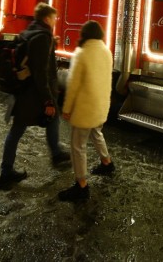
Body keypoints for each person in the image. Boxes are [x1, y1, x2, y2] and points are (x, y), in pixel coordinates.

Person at [0, 2, 70, 190]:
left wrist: (52, 43)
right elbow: (40, 72)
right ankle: (6, 172)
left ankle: (55, 152)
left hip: (25, 92)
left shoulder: (31, 32)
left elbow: (34, 56)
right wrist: (47, 100)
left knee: (52, 120)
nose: (56, 20)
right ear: (47, 18)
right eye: (54, 17)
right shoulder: (42, 38)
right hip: (31, 95)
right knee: (17, 131)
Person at [58, 20, 115, 201]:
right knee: (96, 133)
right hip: (100, 105)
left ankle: (81, 186)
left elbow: (73, 85)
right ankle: (106, 162)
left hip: (85, 108)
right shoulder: (107, 52)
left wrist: (66, 109)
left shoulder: (81, 54)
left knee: (78, 145)